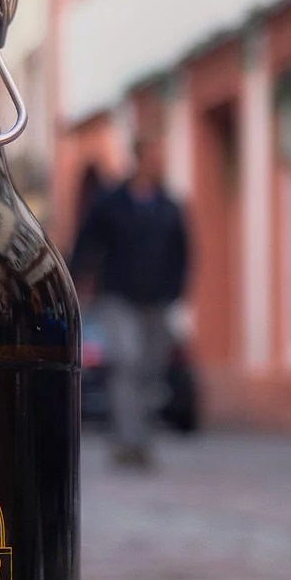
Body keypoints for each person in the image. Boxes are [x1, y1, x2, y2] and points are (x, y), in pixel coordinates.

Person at [68, 134, 190, 470]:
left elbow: (183, 254)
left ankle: (142, 442)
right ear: (139, 157)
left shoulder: (169, 206)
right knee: (126, 362)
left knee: (151, 371)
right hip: (118, 296)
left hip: (158, 300)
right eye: (153, 153)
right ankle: (126, 442)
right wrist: (75, 279)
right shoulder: (112, 202)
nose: (158, 160)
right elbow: (86, 240)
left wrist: (176, 291)